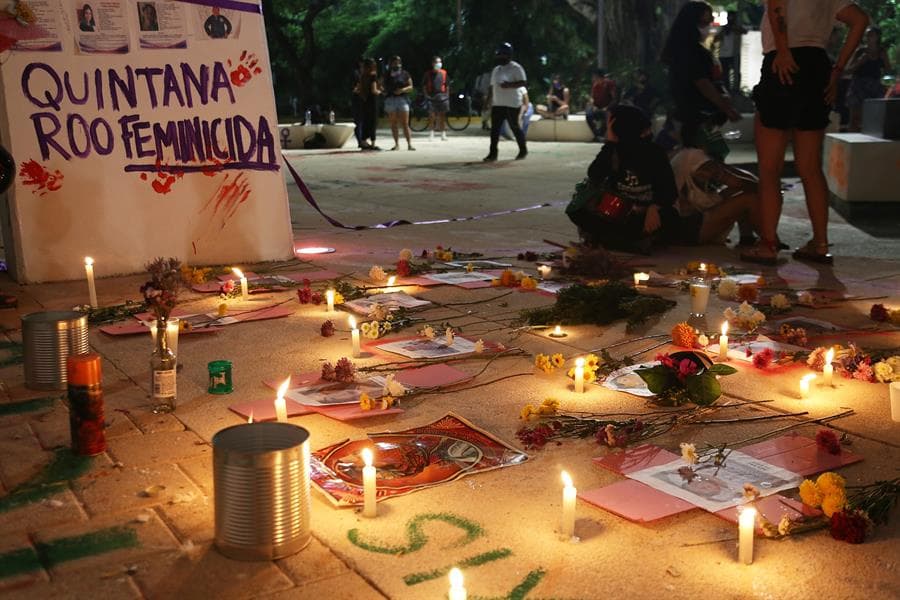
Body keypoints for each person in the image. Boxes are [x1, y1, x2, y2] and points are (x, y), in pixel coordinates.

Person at [742, 0, 868, 265]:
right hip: (817, 67)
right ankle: (820, 244)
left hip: (783, 62)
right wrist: (837, 71)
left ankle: (768, 244)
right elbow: (859, 20)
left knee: (768, 168)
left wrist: (784, 51)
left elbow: (778, 9)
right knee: (810, 167)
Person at [567, 105, 679, 253]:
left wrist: (654, 207)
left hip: (645, 214)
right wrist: (609, 143)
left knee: (670, 218)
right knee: (579, 210)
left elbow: (669, 192)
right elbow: (595, 174)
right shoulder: (615, 150)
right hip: (617, 212)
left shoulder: (654, 153)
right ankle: (628, 241)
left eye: (610, 125)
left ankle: (620, 241)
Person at [661, 1, 740, 156]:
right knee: (700, 156)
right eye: (706, 21)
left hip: (688, 112)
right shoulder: (692, 51)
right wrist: (726, 108)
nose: (711, 24)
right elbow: (703, 83)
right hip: (696, 115)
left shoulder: (681, 48)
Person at [670, 147, 762, 245]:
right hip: (688, 228)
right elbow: (739, 182)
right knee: (748, 199)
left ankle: (747, 238)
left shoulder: (685, 156)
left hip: (684, 225)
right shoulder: (698, 159)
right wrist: (769, 190)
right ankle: (769, 241)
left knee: (739, 192)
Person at [484, 42, 528, 162]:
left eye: (502, 55)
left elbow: (523, 82)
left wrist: (510, 85)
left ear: (508, 55)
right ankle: (493, 153)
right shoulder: (496, 70)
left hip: (512, 104)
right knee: (495, 130)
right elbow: (491, 87)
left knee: (515, 127)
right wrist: (487, 101)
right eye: (498, 55)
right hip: (498, 104)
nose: (499, 57)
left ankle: (523, 150)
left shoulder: (516, 68)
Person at [846, 27, 892, 132]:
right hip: (858, 85)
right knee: (855, 118)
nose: (868, 38)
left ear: (877, 37)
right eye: (866, 35)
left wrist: (885, 62)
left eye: (871, 35)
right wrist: (860, 61)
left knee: (874, 118)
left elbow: (888, 71)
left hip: (874, 86)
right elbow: (848, 70)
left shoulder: (882, 51)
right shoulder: (860, 51)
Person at [383, 55, 415, 151]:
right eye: (394, 62)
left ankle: (409, 144)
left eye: (398, 62)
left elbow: (411, 87)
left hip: (402, 99)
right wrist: (384, 90)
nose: (396, 64)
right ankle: (396, 144)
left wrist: (402, 90)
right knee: (393, 123)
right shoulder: (387, 74)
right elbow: (381, 84)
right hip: (391, 99)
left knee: (405, 123)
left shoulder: (405, 74)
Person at [714, 12, 748, 92]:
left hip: (734, 54)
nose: (730, 19)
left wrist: (733, 28)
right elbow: (715, 39)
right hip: (723, 55)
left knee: (736, 73)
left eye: (732, 18)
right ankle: (726, 90)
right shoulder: (723, 28)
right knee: (724, 75)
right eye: (729, 17)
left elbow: (744, 31)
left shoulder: (736, 28)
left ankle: (736, 89)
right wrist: (724, 30)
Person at [355, 58, 382, 151]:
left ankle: (363, 141)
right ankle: (373, 143)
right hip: (372, 101)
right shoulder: (373, 75)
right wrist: (380, 91)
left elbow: (358, 89)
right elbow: (374, 90)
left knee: (366, 121)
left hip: (364, 101)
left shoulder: (362, 76)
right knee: (373, 122)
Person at [423, 56, 450, 141]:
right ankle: (431, 133)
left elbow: (447, 85)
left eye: (440, 62)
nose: (439, 64)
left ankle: (443, 134)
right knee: (431, 116)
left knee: (442, 116)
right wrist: (426, 95)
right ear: (433, 63)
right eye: (437, 62)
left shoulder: (444, 73)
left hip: (442, 96)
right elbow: (424, 86)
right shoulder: (428, 74)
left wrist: (447, 96)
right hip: (431, 96)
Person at [586, 69, 617, 140]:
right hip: (597, 107)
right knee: (588, 115)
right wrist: (592, 104)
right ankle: (597, 135)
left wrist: (607, 107)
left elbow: (614, 99)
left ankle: (600, 135)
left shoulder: (609, 84)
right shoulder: (595, 85)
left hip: (607, 107)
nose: (593, 79)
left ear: (600, 77)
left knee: (607, 115)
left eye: (594, 77)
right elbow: (592, 98)